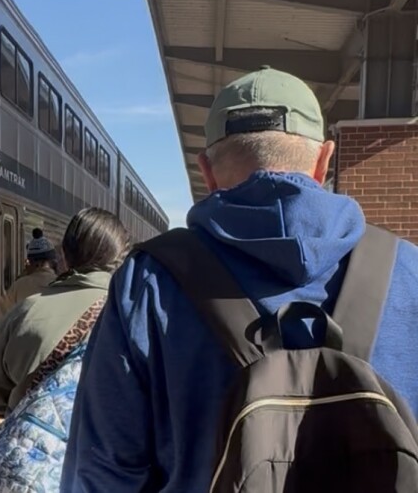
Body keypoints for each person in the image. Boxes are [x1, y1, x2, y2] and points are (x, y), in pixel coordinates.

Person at [61, 67, 418, 492]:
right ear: (324, 160)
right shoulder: (408, 271)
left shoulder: (148, 282)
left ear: (207, 171)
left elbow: (103, 471)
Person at [0, 208, 129, 416]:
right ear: (122, 258)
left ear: (64, 255)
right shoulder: (137, 317)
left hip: (38, 443)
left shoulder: (24, 314)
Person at [0, 228, 59, 320]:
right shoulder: (61, 284)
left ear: (30, 261)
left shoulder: (18, 286)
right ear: (51, 261)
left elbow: (2, 314)